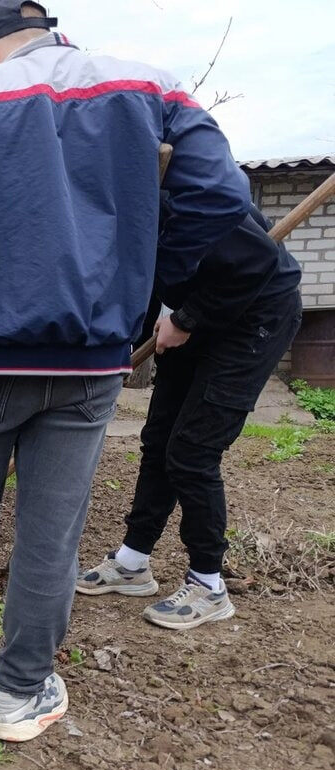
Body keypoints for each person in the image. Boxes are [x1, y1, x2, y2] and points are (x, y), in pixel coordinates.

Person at [0, 0, 252, 742]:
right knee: (52, 532)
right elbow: (221, 198)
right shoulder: (151, 87)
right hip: (88, 358)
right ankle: (19, 696)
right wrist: (142, 287)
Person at [77, 204, 302, 628]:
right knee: (159, 440)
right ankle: (132, 563)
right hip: (200, 307)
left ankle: (209, 584)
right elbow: (142, 280)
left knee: (192, 450)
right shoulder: (107, 202)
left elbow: (257, 258)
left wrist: (186, 319)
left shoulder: (179, 191)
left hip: (255, 313)